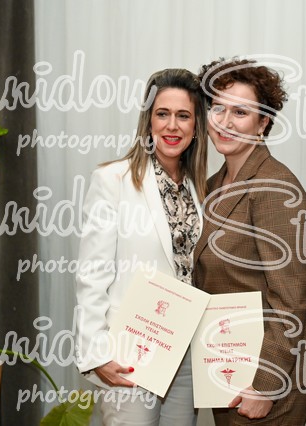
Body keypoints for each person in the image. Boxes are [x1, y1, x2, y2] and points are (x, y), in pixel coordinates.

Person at [75, 68, 207, 425]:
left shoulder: (201, 189)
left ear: (196, 126)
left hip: (186, 354)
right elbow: (92, 273)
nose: (172, 126)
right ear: (148, 121)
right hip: (130, 353)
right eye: (162, 114)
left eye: (184, 116)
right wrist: (97, 353)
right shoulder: (113, 180)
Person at [194, 58, 306, 425]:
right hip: (229, 360)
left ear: (263, 122)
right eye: (218, 108)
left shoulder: (275, 188)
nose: (225, 122)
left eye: (240, 112)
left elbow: (291, 296)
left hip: (269, 370)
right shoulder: (212, 186)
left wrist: (266, 384)